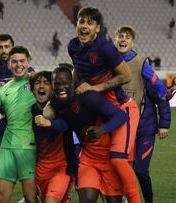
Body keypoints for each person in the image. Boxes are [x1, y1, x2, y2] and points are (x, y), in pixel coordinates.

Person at [68, 7, 140, 203]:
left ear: (97, 28)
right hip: (100, 107)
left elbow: (126, 76)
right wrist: (73, 90)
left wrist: (95, 88)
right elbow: (78, 68)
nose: (84, 26)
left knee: (117, 158)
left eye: (90, 23)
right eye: (81, 22)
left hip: (123, 108)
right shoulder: (73, 46)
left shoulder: (105, 48)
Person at [49, 65, 128, 203]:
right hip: (88, 159)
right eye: (56, 84)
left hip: (109, 158)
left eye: (64, 83)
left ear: (72, 83)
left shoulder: (88, 97)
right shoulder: (55, 103)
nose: (60, 87)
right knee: (87, 200)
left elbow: (121, 116)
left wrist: (103, 129)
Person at [115, 25, 171, 203]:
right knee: (123, 166)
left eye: (127, 37)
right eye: (120, 37)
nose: (123, 40)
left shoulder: (141, 66)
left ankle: (148, 200)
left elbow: (160, 96)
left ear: (132, 42)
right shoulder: (110, 64)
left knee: (140, 169)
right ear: (115, 40)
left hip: (144, 129)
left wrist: (164, 124)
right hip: (121, 126)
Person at [0, 46, 38, 203]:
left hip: (29, 147)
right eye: (14, 61)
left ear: (29, 61)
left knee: (31, 198)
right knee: (1, 197)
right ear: (9, 64)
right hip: (7, 147)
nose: (18, 65)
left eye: (22, 61)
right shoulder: (2, 90)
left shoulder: (37, 83)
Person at [30, 71, 76, 203]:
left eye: (47, 83)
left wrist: (48, 122)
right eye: (38, 83)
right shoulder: (30, 110)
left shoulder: (62, 105)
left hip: (62, 169)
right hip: (40, 172)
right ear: (32, 89)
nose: (42, 86)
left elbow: (66, 126)